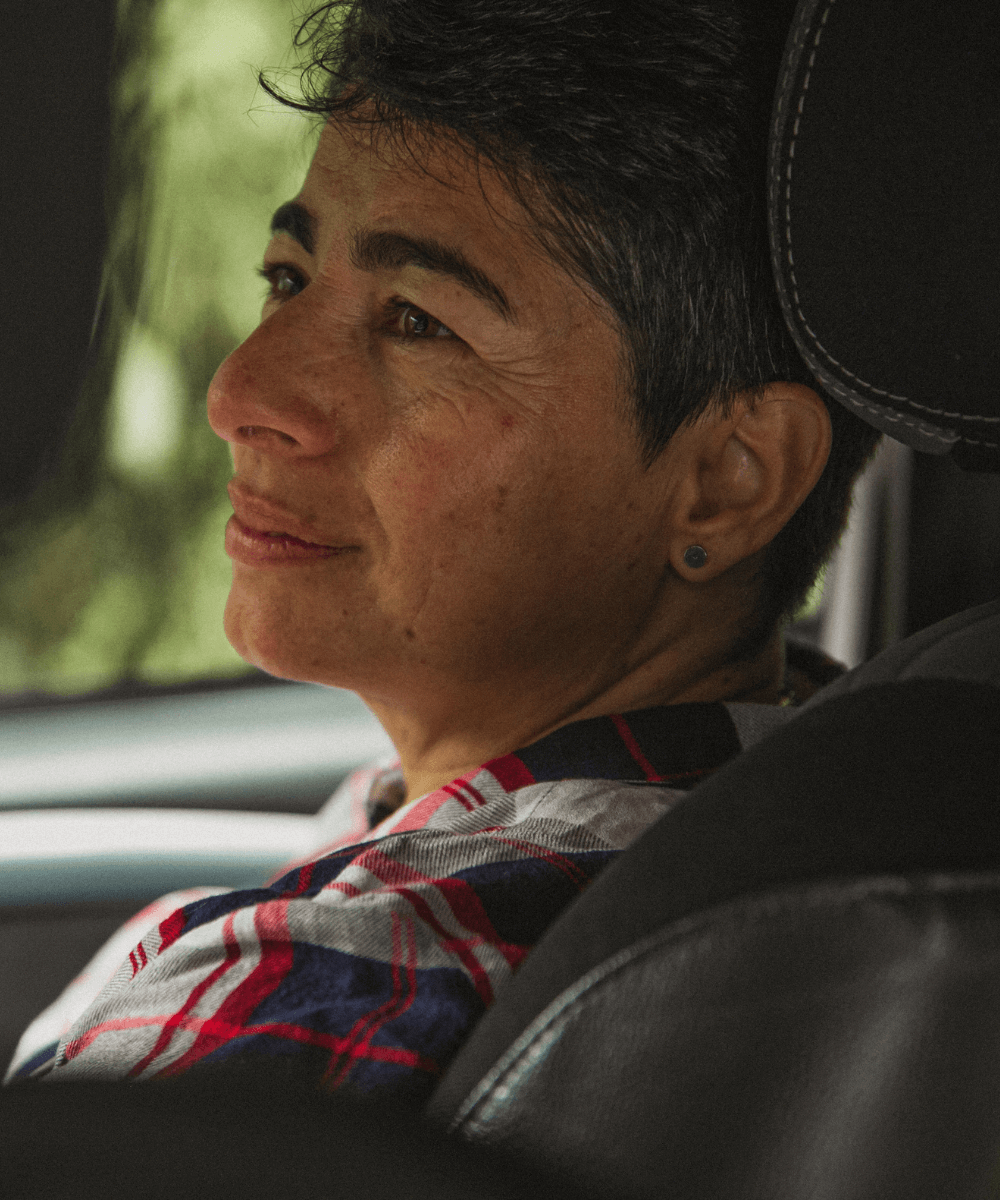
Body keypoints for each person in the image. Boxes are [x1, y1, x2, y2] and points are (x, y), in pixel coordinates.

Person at [7, 0, 879, 1098]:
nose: (240, 394)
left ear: (728, 479)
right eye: (287, 277)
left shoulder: (348, 987)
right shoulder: (804, 779)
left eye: (418, 322)